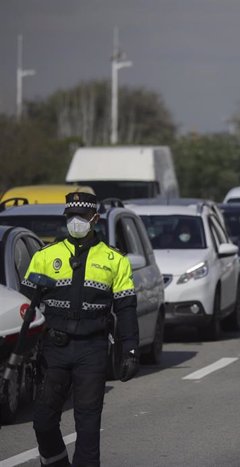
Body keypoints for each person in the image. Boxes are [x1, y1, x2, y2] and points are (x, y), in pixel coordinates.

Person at [20, 192, 139, 467]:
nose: (76, 222)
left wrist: (130, 350)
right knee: (43, 421)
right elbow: (25, 307)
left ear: (94, 219)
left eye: (82, 217)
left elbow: (126, 310)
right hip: (54, 348)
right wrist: (20, 350)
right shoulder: (45, 257)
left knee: (87, 425)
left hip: (93, 349)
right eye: (71, 217)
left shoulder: (114, 260)